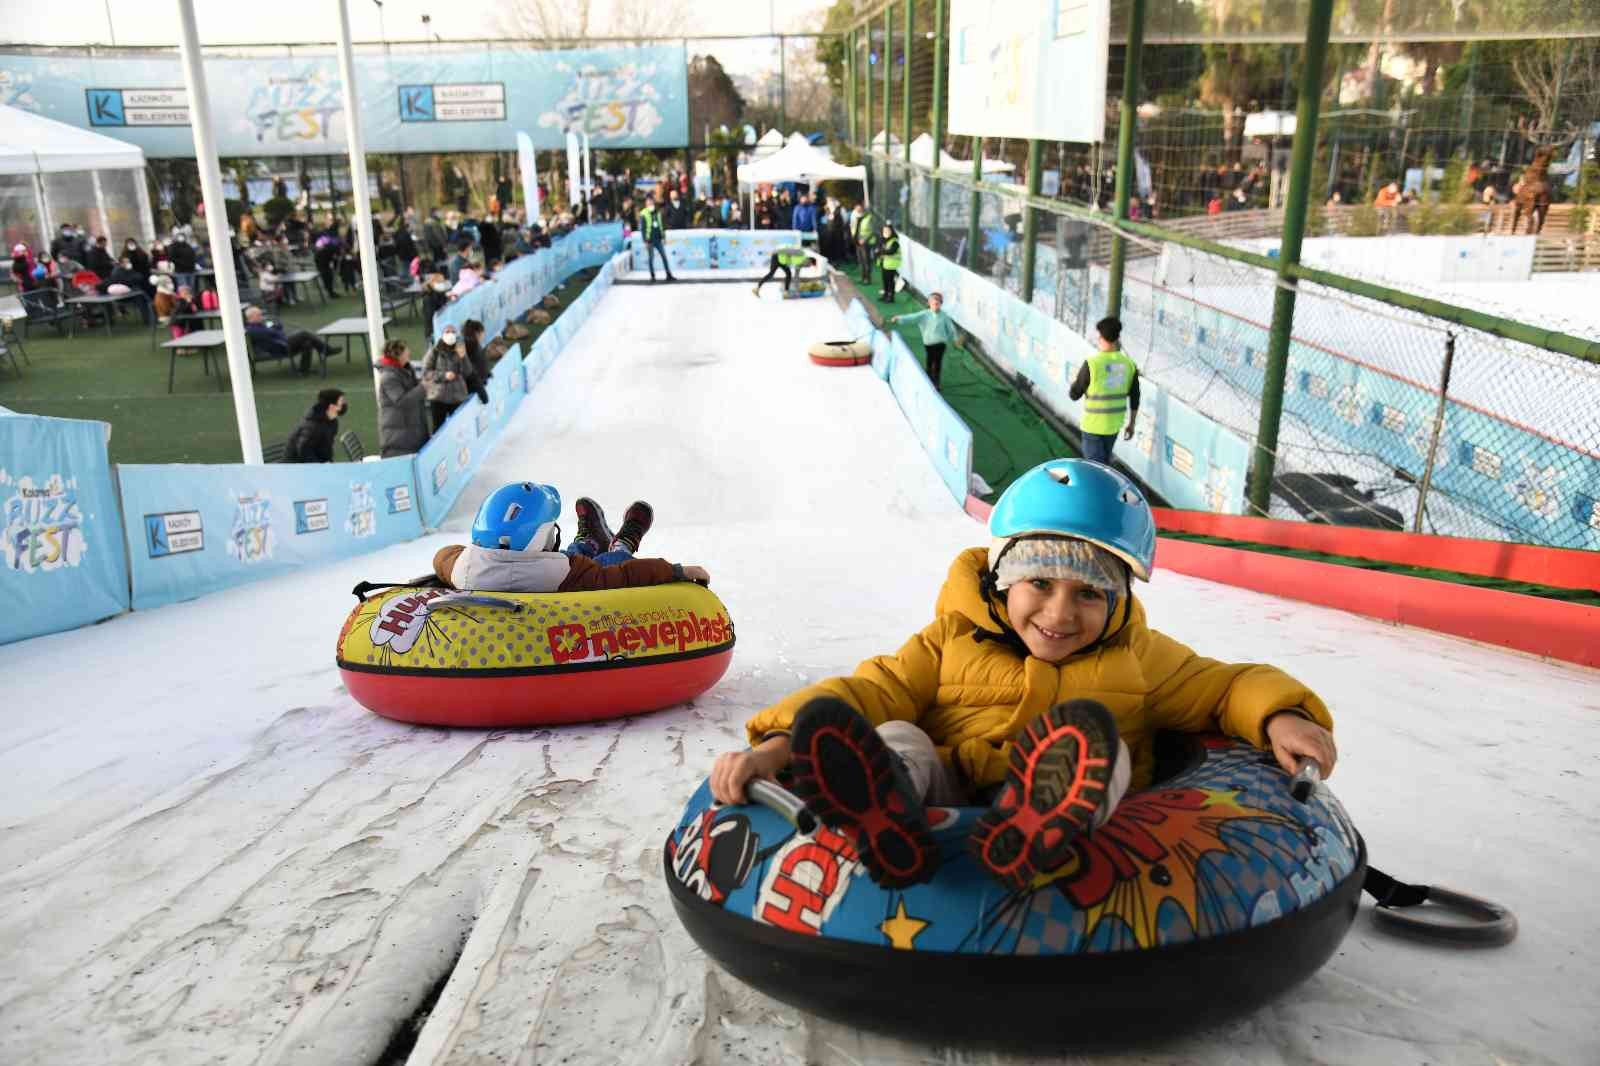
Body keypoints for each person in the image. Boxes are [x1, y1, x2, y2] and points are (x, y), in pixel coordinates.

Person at [706, 459, 1337, 890]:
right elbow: (871, 689)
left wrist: (1281, 712)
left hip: (1065, 812)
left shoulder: (1140, 658)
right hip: (946, 791)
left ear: (1116, 601)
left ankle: (1046, 825)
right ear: (1000, 580)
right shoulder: (951, 639)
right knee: (898, 733)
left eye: (1089, 594)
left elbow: (1224, 686)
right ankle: (884, 812)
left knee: (1102, 748)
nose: (1060, 613)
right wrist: (781, 744)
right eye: (1038, 583)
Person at [433, 483, 710, 595]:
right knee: (609, 563)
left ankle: (589, 541)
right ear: (539, 535)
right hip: (569, 574)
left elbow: (443, 556)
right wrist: (675, 570)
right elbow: (623, 576)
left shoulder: (462, 566)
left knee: (570, 554)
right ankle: (621, 544)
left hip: (516, 560)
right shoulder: (559, 573)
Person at [1069, 316, 1140, 465]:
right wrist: (1132, 424)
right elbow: (1135, 397)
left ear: (1100, 337)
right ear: (1117, 338)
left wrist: (1077, 384)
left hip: (1092, 427)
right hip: (1113, 427)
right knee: (1103, 466)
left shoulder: (1092, 364)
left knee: (1096, 471)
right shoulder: (1129, 365)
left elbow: (1074, 394)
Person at [243, 305, 341, 374]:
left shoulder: (261, 325)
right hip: (279, 347)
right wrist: (273, 327)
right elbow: (272, 331)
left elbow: (278, 326)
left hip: (283, 342)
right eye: (259, 315)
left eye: (261, 314)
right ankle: (326, 350)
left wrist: (273, 327)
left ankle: (304, 370)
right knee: (304, 333)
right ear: (251, 317)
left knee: (307, 343)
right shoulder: (252, 329)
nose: (262, 317)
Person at [890, 291, 957, 389]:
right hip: (929, 344)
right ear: (929, 304)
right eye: (933, 304)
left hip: (940, 344)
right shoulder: (924, 314)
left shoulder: (944, 316)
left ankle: (936, 382)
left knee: (938, 362)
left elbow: (951, 329)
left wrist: (954, 339)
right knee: (930, 361)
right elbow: (912, 317)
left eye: (938, 304)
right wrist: (899, 318)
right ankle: (928, 380)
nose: (935, 306)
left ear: (941, 304)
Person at [376, 339, 430, 457]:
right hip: (399, 440)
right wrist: (422, 388)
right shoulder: (389, 377)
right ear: (398, 354)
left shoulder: (404, 369)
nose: (409, 352)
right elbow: (402, 401)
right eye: (406, 351)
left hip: (408, 429)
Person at [422, 325, 474, 431]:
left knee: (460, 429)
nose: (450, 334)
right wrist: (444, 375)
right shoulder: (434, 351)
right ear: (442, 335)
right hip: (438, 397)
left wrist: (463, 357)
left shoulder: (461, 349)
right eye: (447, 332)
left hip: (457, 396)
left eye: (453, 332)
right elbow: (426, 373)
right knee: (438, 429)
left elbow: (468, 372)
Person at [285, 388, 347, 463]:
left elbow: (326, 449)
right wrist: (320, 467)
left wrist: (329, 463)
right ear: (332, 406)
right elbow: (303, 452)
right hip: (298, 468)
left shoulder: (332, 422)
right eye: (341, 402)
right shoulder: (313, 427)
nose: (344, 404)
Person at [752, 246, 819, 296]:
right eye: (810, 265)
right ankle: (757, 288)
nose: (808, 266)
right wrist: (779, 253)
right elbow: (788, 250)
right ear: (809, 261)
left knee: (789, 274)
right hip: (777, 256)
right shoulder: (801, 253)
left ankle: (786, 292)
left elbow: (796, 277)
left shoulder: (800, 264)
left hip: (782, 261)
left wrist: (797, 290)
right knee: (771, 274)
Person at [638, 198, 674, 283]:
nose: (650, 204)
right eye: (648, 203)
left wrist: (663, 236)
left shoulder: (657, 212)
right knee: (651, 258)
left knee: (664, 257)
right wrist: (645, 240)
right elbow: (642, 228)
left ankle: (668, 274)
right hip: (649, 240)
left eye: (651, 202)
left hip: (658, 238)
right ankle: (652, 276)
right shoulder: (644, 213)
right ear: (646, 204)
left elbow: (661, 225)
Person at [461, 318, 491, 403]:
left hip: (476, 385)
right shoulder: (471, 347)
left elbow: (480, 364)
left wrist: (487, 373)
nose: (483, 336)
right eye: (482, 333)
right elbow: (471, 372)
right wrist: (481, 391)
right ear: (477, 333)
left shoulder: (475, 345)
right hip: (470, 390)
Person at [876, 222, 902, 304]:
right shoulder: (883, 240)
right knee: (885, 280)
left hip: (891, 265)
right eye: (884, 231)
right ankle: (885, 295)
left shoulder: (894, 241)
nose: (885, 232)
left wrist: (880, 251)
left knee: (890, 281)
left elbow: (891, 251)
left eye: (888, 231)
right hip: (884, 264)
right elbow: (879, 249)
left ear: (892, 231)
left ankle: (891, 297)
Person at [851, 204, 874, 280]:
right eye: (857, 208)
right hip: (857, 242)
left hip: (866, 243)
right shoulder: (855, 217)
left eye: (860, 208)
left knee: (866, 261)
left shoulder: (869, 217)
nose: (858, 210)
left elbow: (872, 231)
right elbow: (853, 228)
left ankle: (867, 278)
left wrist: (864, 240)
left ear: (863, 208)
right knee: (860, 260)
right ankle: (863, 277)